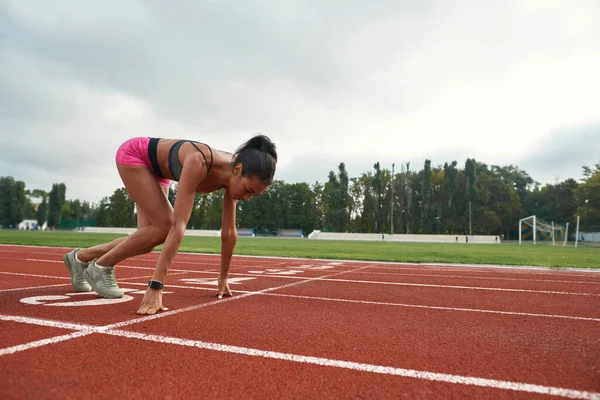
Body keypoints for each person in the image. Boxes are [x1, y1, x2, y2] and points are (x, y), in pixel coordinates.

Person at [62, 135, 277, 315]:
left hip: (158, 173)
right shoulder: (199, 162)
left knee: (146, 239)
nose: (247, 198)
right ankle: (101, 266)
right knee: (164, 227)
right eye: (249, 190)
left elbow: (229, 233)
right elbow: (178, 226)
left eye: (254, 195)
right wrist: (156, 286)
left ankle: (80, 257)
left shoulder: (233, 175)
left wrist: (223, 278)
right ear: (238, 170)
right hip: (135, 156)